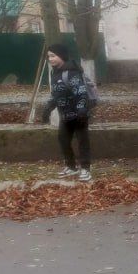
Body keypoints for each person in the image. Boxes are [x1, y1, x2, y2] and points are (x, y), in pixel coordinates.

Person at [41, 44, 92, 182]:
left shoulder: (71, 73)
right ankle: (71, 167)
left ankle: (86, 169)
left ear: (61, 56)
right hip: (66, 116)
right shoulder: (55, 72)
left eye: (53, 56)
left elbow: (81, 93)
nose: (50, 59)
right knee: (63, 140)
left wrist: (81, 110)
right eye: (49, 56)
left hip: (79, 116)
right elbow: (56, 94)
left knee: (82, 142)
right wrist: (48, 108)